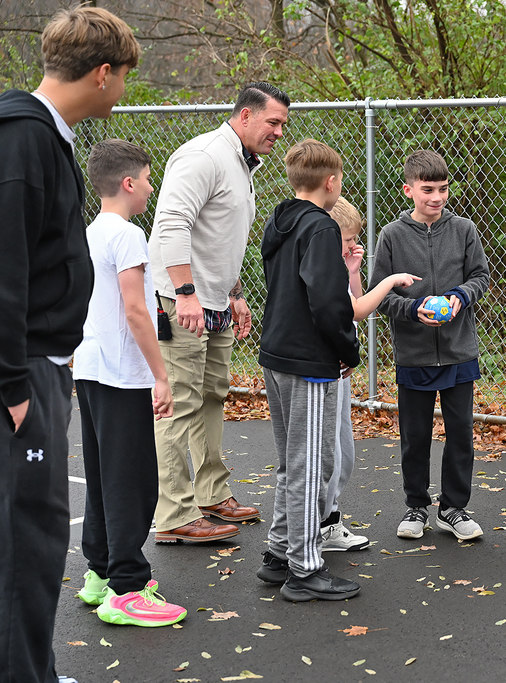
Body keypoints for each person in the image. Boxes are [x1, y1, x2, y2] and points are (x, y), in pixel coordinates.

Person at [0, 7, 139, 682]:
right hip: (23, 371)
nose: (124, 93)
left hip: (43, 364)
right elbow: (6, 266)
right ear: (103, 73)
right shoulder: (23, 139)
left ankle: (34, 666)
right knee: (26, 537)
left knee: (37, 532)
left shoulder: (42, 135)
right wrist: (13, 387)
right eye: (124, 79)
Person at [149, 81, 290, 543]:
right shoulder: (204, 155)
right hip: (180, 301)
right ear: (245, 116)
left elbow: (220, 237)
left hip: (215, 301)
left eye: (283, 125)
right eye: (273, 122)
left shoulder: (243, 164)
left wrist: (233, 291)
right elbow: (172, 222)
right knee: (178, 406)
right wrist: (186, 292)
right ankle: (174, 514)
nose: (278, 133)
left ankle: (211, 492)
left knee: (212, 397)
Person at [73, 140, 187, 627]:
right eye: (146, 178)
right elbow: (135, 308)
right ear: (127, 183)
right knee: (132, 481)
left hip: (91, 367)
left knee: (103, 476)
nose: (150, 186)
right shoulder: (127, 235)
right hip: (121, 373)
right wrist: (160, 376)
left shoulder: (90, 232)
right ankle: (127, 587)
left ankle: (100, 572)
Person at [254, 139, 362, 601]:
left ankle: (279, 553)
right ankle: (305, 568)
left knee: (290, 462)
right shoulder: (320, 229)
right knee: (310, 466)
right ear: (331, 181)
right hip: (308, 362)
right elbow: (328, 300)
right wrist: (346, 350)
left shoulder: (279, 219)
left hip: (276, 353)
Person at [368, 150, 490, 541]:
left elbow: (480, 277)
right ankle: (416, 507)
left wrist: (461, 297)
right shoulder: (391, 235)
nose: (436, 197)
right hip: (414, 353)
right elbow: (380, 295)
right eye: (427, 190)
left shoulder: (465, 230)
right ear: (409, 190)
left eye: (443, 188)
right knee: (415, 435)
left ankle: (453, 509)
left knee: (460, 434)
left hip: (458, 353)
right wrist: (413, 309)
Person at [320, 198, 421, 552]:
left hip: (342, 371)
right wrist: (391, 280)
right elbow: (359, 310)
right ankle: (318, 525)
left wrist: (352, 269)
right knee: (327, 452)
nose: (354, 244)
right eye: (348, 239)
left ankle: (329, 521)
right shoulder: (320, 267)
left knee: (344, 450)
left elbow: (354, 298)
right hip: (324, 371)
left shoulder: (338, 264)